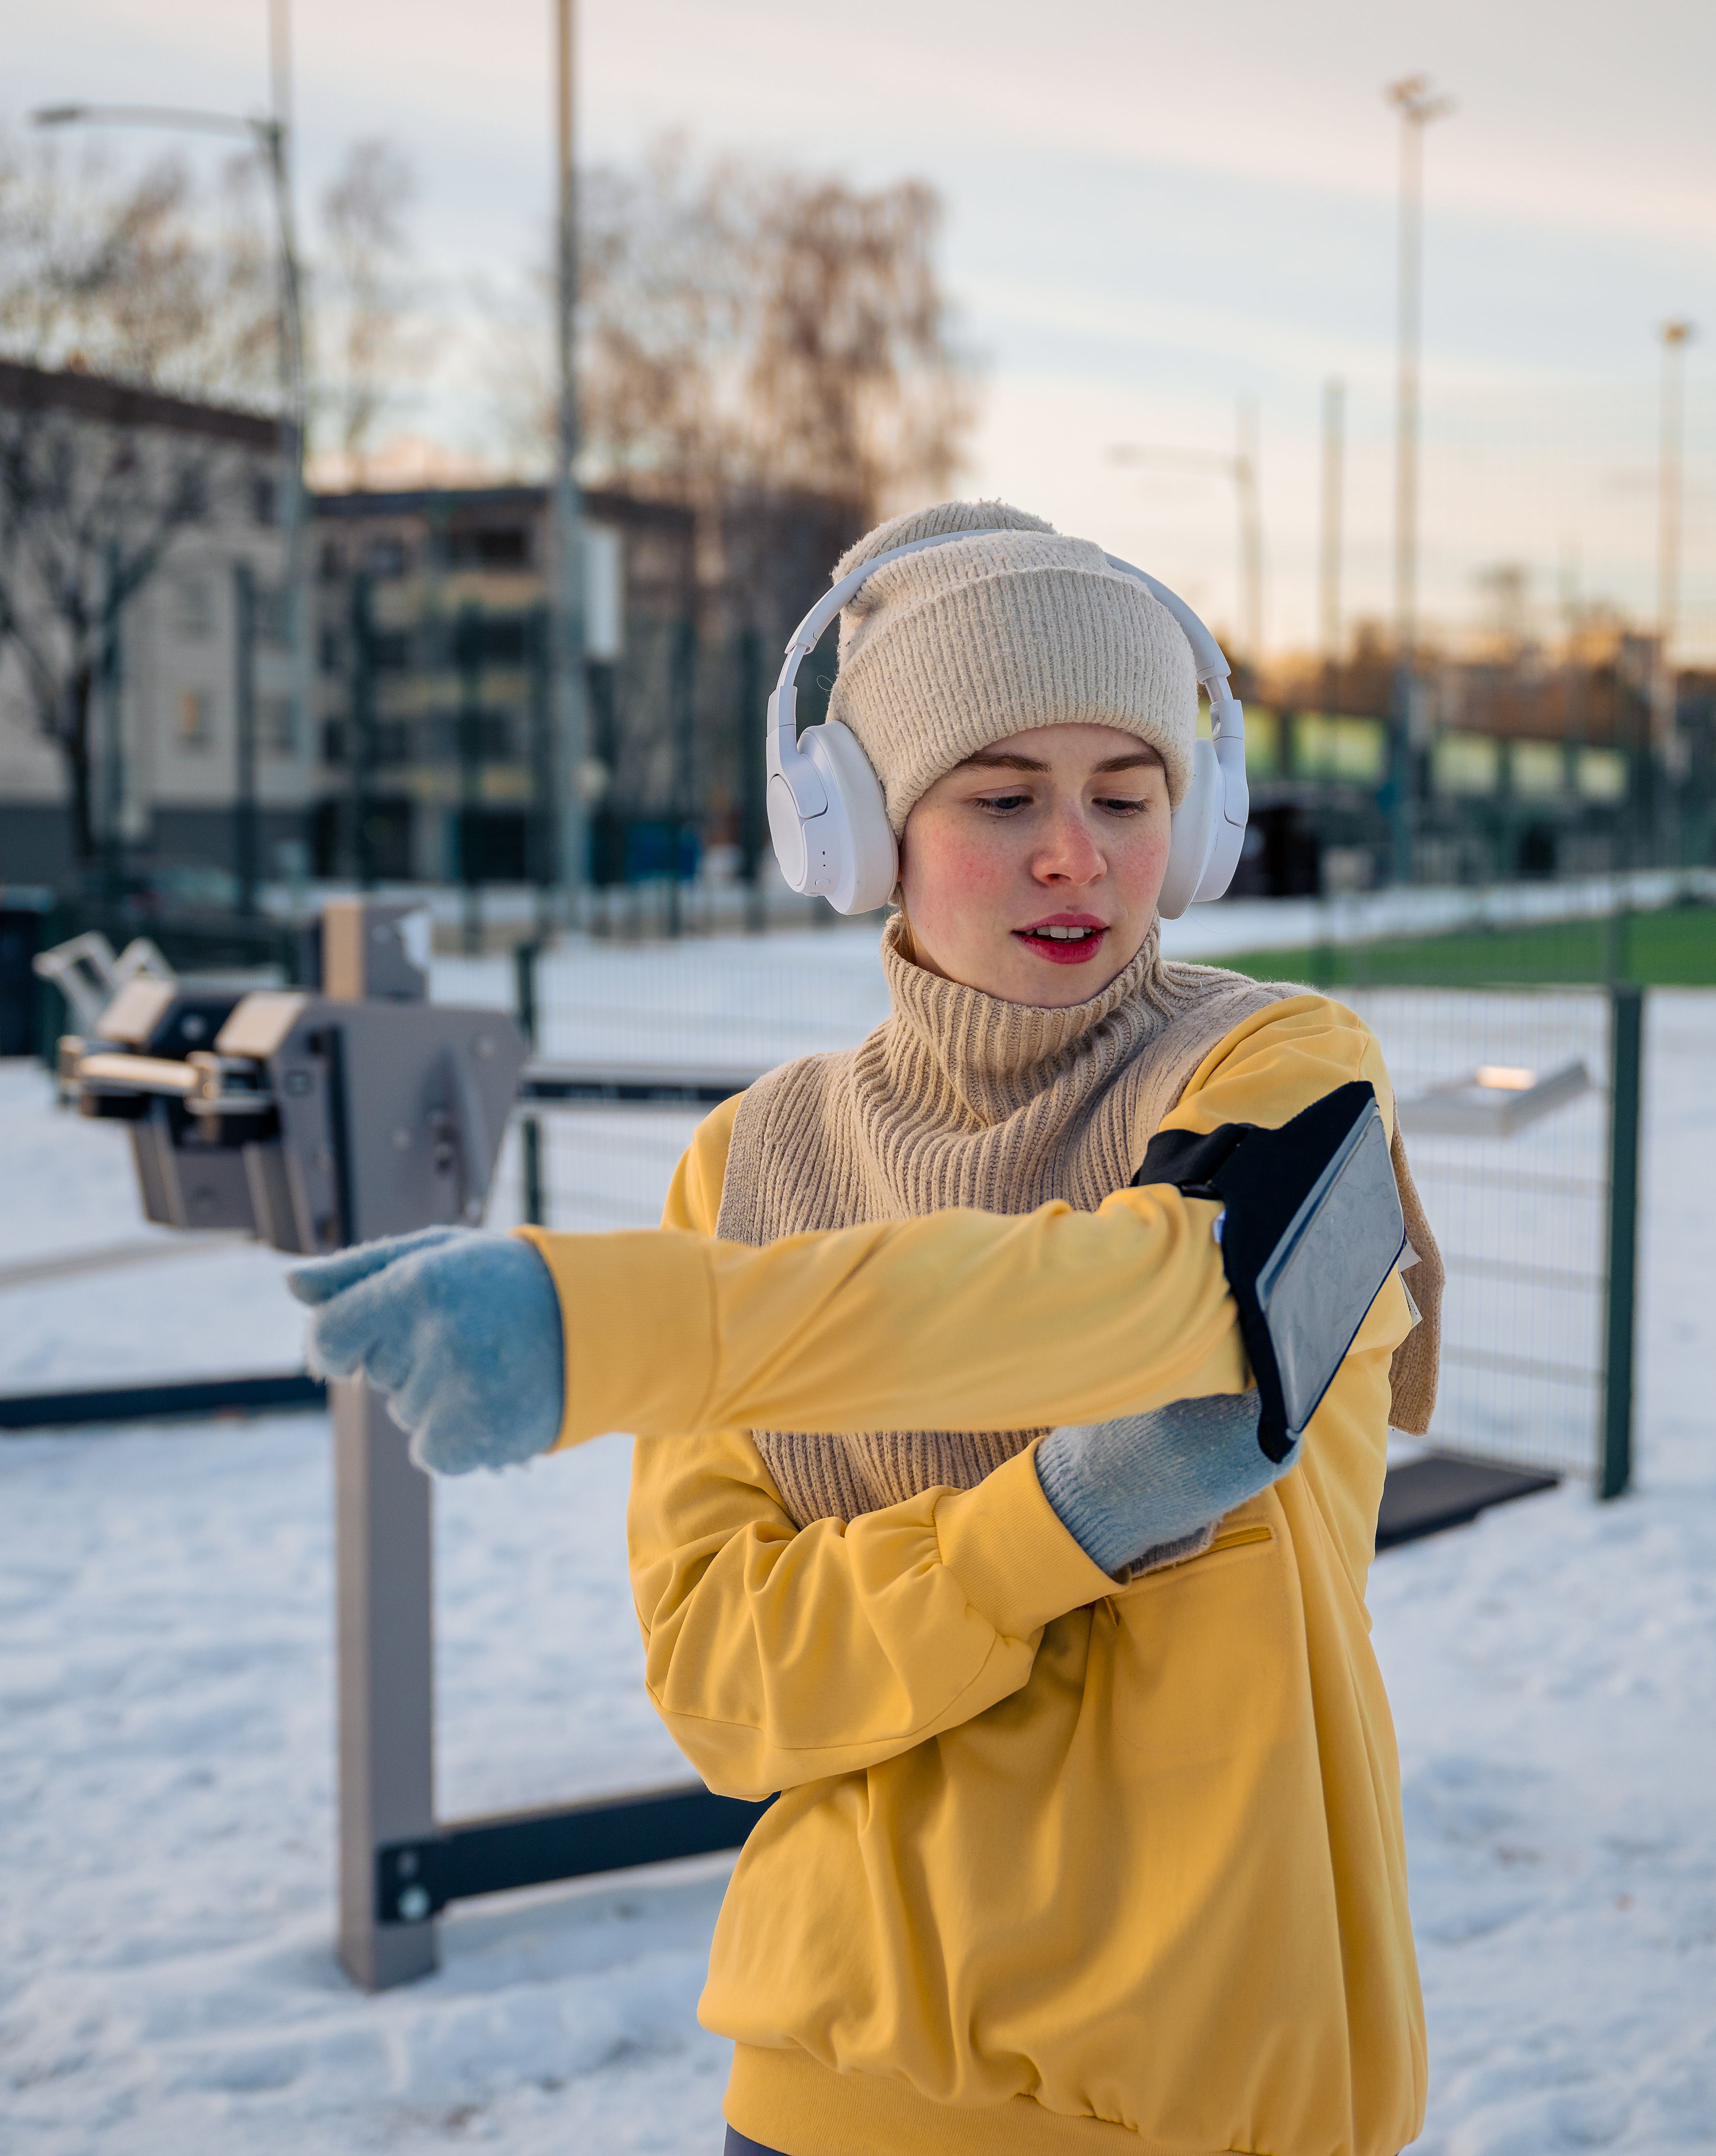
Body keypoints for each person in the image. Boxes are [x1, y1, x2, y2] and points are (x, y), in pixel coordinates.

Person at [290, 500, 1445, 2156]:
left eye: (1130, 797)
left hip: (1201, 2093)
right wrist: (1044, 1531)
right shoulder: (751, 1166)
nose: (1079, 856)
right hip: (827, 2085)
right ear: (857, 830)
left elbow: (1173, 1292)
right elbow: (724, 1690)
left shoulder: (1281, 1072)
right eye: (1002, 798)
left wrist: (628, 1326)